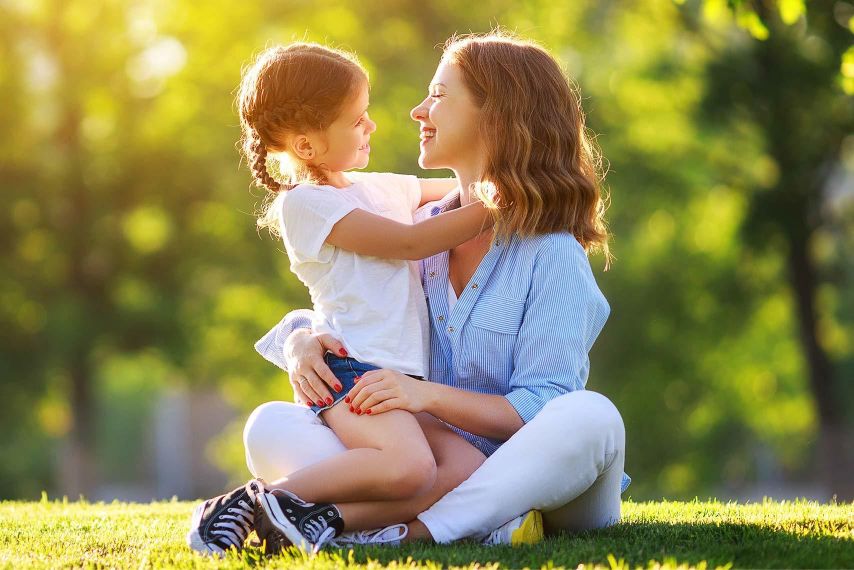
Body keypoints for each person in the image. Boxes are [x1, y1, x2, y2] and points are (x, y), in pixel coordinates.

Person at [246, 31, 631, 549]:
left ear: (497, 115)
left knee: (591, 417)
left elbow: (542, 407)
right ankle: (453, 525)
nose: (416, 110)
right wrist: (303, 336)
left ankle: (407, 533)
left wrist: (424, 394)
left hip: (535, 476)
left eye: (439, 94)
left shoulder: (550, 252)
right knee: (270, 423)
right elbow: (355, 295)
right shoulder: (417, 227)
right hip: (426, 465)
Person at [187, 42, 497, 556]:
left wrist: (491, 181)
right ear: (306, 145)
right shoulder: (306, 205)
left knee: (466, 469)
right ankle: (258, 502)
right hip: (353, 367)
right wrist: (504, 203)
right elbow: (411, 243)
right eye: (356, 121)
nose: (372, 127)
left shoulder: (377, 187)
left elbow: (448, 194)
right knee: (411, 468)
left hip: (402, 381)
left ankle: (320, 522)